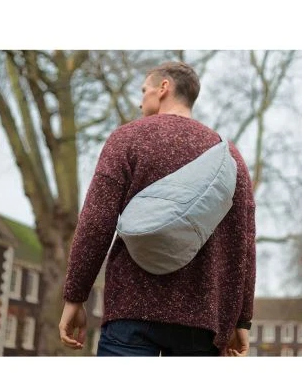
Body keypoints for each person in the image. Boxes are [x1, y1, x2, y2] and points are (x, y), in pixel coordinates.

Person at [58, 61, 256, 356]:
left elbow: (96, 222)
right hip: (201, 321)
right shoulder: (230, 158)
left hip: (131, 310)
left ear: (164, 88)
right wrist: (241, 319)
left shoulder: (126, 139)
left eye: (144, 90)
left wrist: (75, 296)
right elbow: (243, 242)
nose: (140, 102)